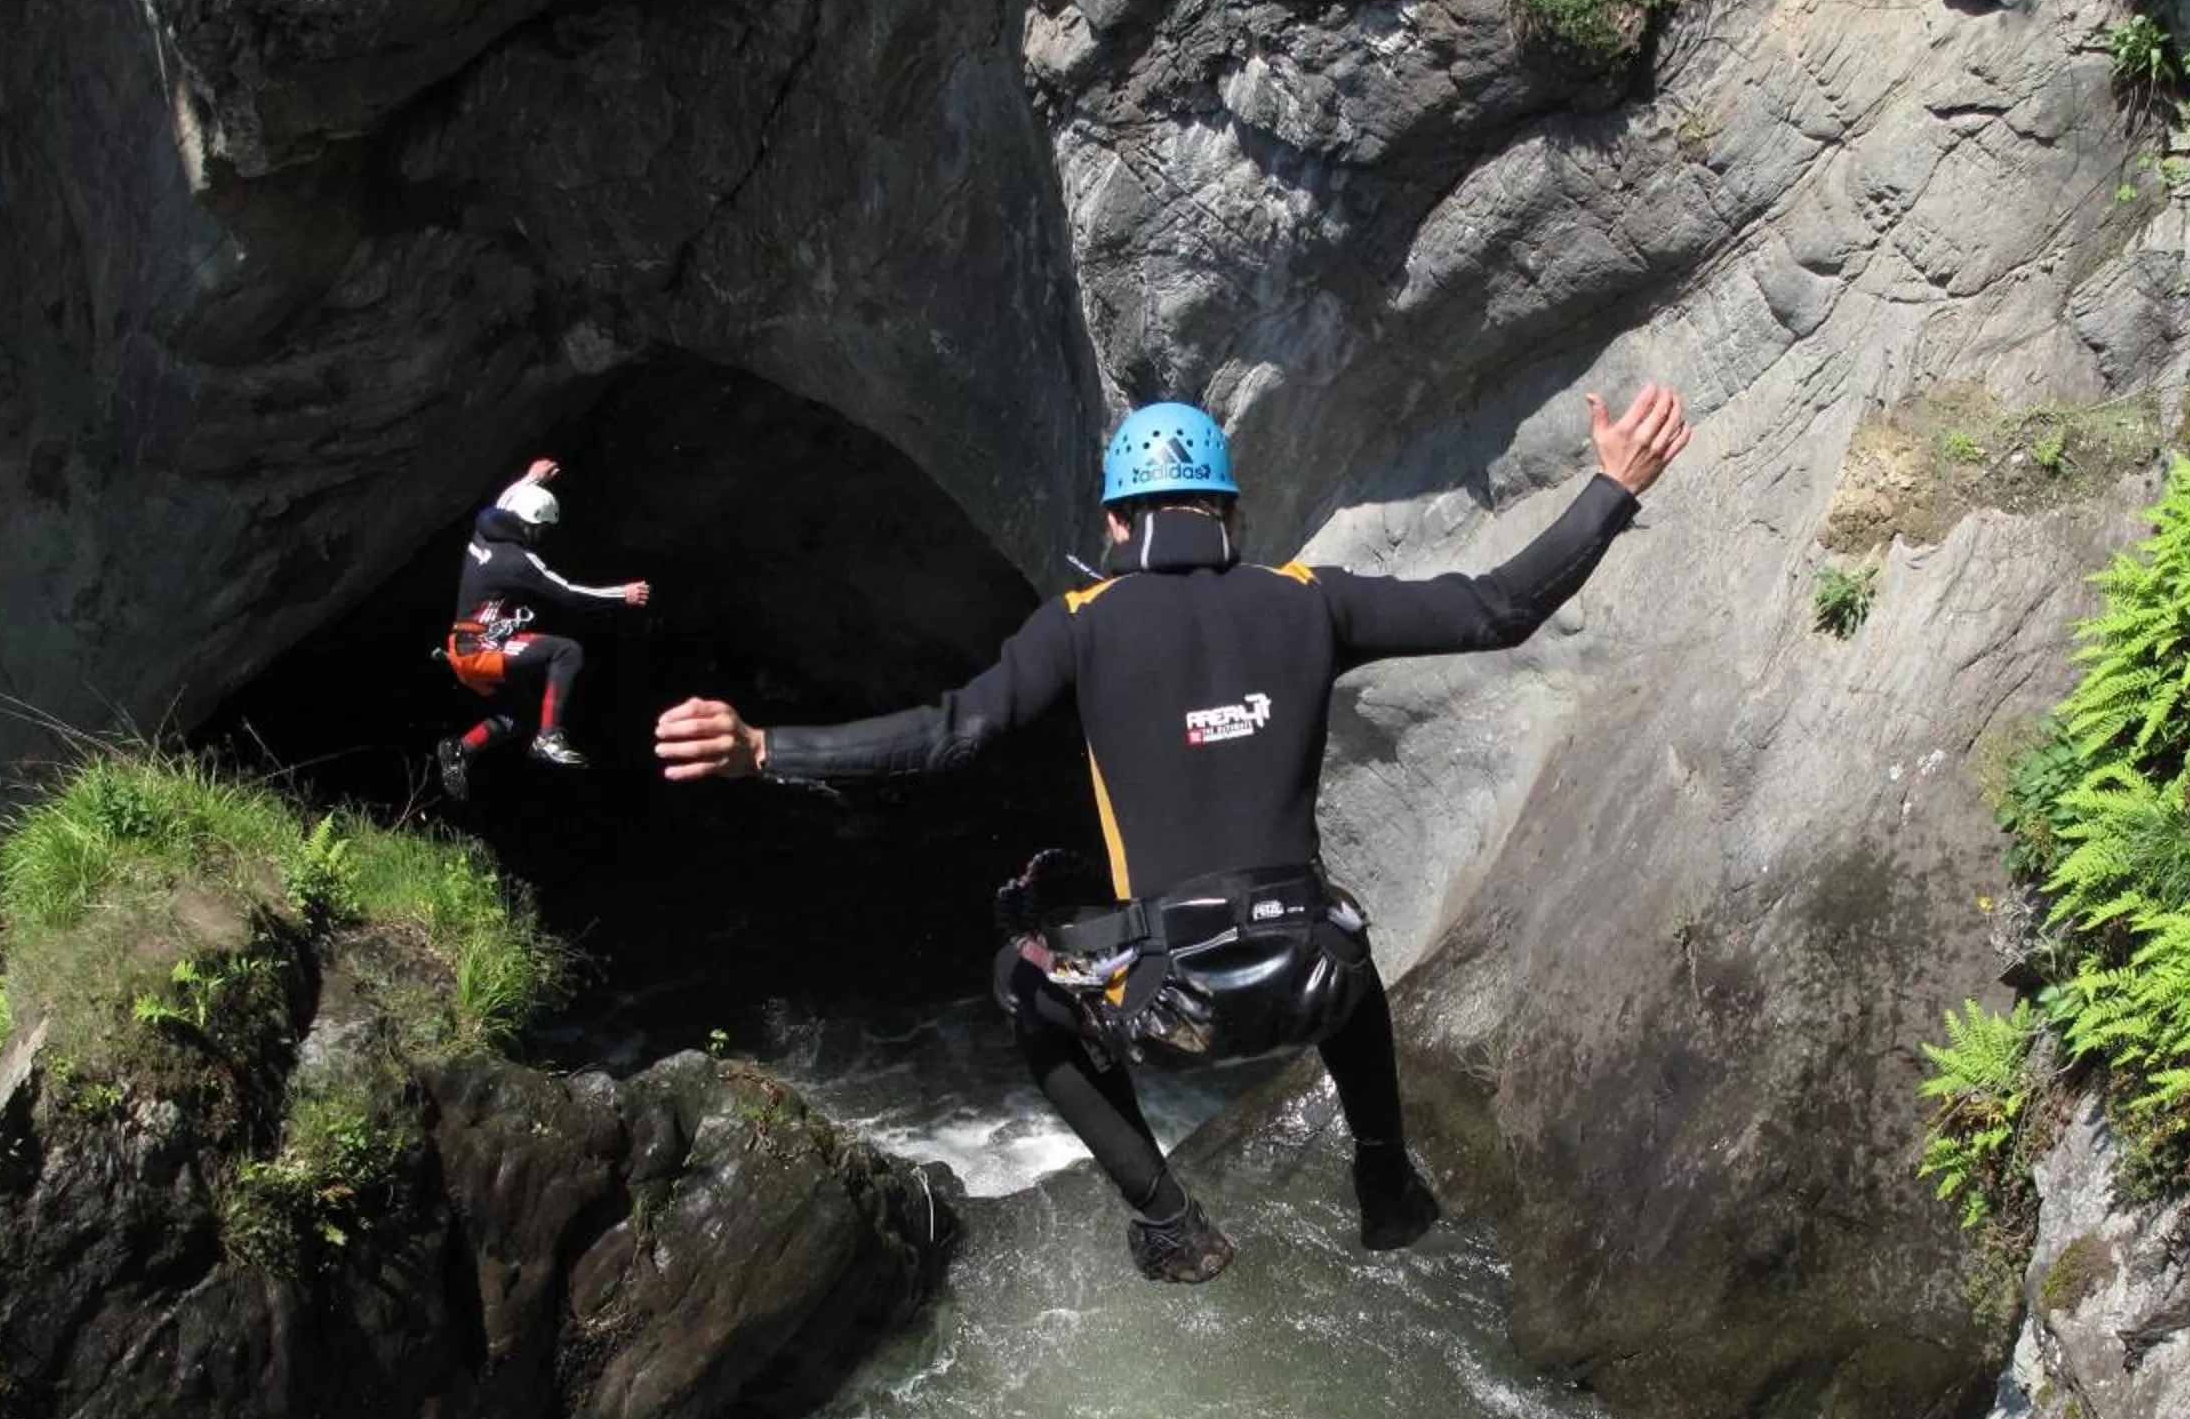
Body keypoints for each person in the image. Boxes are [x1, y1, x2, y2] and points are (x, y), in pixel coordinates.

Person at [652, 383, 1691, 1282]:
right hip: (1309, 982)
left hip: (1170, 1002)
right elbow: (1498, 608)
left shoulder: (1080, 618)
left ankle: (1167, 1218)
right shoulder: (1310, 602)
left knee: (1022, 981)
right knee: (1339, 926)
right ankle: (1382, 1174)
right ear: (1229, 513)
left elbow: (950, 732)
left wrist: (765, 748)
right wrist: (1614, 487)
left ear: (1115, 526)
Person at [437, 457, 653, 798]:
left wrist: (530, 479)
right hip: (479, 652)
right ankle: (549, 738)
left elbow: (505, 503)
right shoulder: (517, 561)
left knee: (521, 714)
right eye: (542, 529)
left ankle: (460, 750)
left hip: (461, 648)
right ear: (532, 526)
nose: (542, 536)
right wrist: (621, 594)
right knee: (567, 651)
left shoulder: (485, 527)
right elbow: (569, 593)